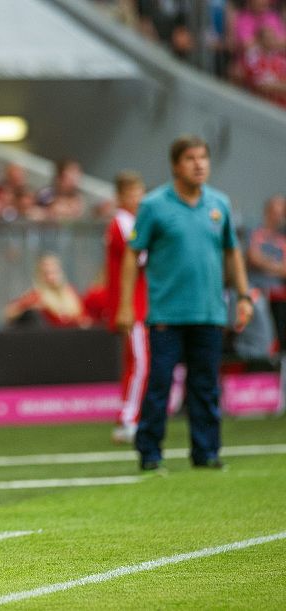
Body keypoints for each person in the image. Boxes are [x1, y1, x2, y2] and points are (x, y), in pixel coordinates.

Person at [117, 135, 253, 472]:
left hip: (209, 311)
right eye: (191, 158)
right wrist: (125, 304)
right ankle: (149, 452)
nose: (199, 164)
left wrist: (244, 296)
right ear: (176, 165)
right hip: (166, 313)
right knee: (160, 382)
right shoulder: (153, 205)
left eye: (203, 158)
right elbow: (133, 255)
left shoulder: (219, 203)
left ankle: (206, 452)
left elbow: (232, 251)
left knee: (205, 385)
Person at [105, 171, 149, 444]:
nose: (136, 198)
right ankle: (129, 419)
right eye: (131, 193)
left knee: (135, 361)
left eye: (139, 192)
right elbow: (141, 256)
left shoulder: (130, 222)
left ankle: (131, 415)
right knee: (141, 363)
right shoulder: (123, 223)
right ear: (120, 196)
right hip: (133, 305)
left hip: (139, 302)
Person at [3, 253, 90, 328]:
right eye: (46, 273)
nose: (51, 277)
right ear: (40, 275)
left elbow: (84, 318)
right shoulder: (37, 295)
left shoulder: (70, 293)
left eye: (54, 272)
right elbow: (9, 312)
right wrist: (32, 307)